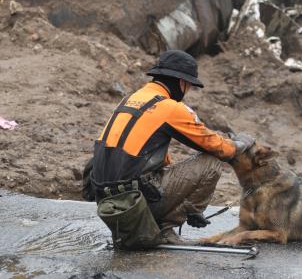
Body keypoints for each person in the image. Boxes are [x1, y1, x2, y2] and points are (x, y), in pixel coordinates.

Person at [89, 49, 254, 244]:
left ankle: (145, 223)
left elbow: (146, 153)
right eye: (190, 86)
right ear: (182, 82)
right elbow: (218, 147)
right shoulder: (169, 107)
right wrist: (241, 144)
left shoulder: (132, 99)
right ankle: (165, 227)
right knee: (211, 162)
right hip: (133, 201)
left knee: (162, 170)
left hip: (107, 201)